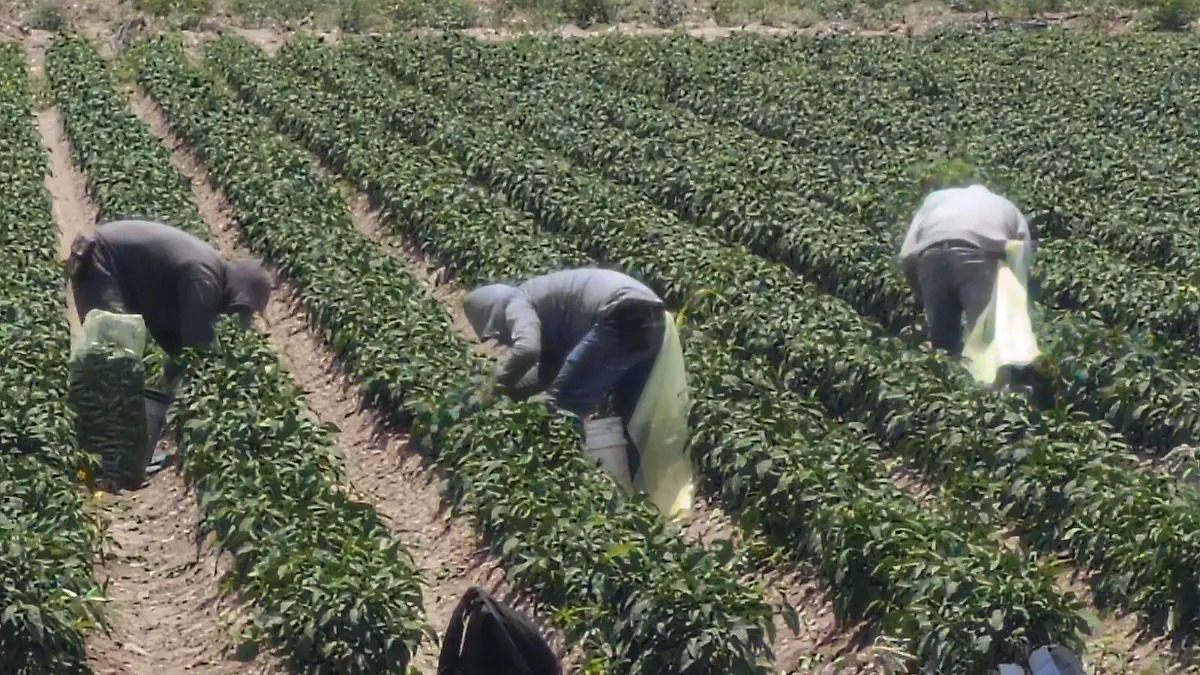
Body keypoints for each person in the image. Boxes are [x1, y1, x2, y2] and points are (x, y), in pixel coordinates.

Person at [462, 268, 668, 473]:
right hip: (652, 316)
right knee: (629, 411)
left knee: (563, 407)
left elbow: (527, 350)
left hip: (619, 315)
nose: (502, 339)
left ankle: (568, 477)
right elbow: (548, 374)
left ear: (492, 314)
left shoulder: (516, 302)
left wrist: (496, 386)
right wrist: (511, 393)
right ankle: (635, 482)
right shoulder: (549, 312)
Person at [66, 219, 272, 372]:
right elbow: (195, 339)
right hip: (100, 259)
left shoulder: (210, 269)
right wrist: (210, 371)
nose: (230, 314)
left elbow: (169, 331)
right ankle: (100, 424)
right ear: (236, 291)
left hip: (108, 263)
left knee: (120, 353)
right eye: (237, 308)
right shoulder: (204, 278)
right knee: (114, 352)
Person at [898, 184, 1033, 356]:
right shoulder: (1006, 206)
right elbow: (1023, 252)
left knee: (942, 342)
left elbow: (906, 254)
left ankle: (948, 376)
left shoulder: (935, 201)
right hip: (978, 255)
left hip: (930, 255)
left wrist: (923, 293)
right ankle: (988, 379)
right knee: (984, 333)